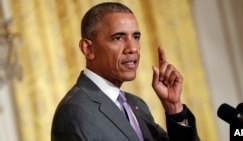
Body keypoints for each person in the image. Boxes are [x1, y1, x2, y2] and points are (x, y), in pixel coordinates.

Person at [51, 2, 200, 141]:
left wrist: (174, 107)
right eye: (118, 38)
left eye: (136, 37)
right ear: (88, 49)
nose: (132, 48)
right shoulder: (74, 112)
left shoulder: (136, 105)